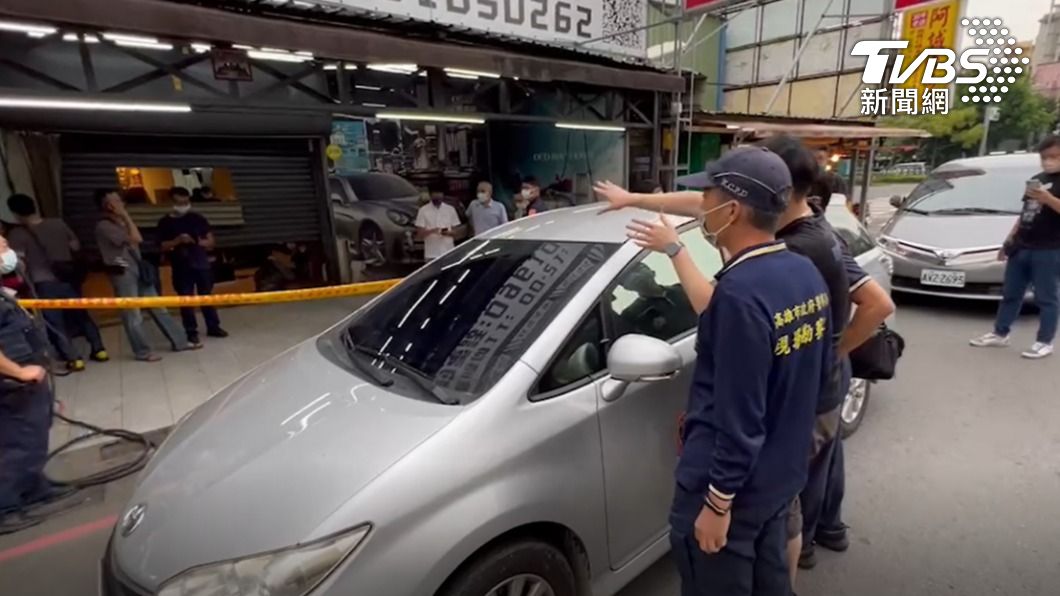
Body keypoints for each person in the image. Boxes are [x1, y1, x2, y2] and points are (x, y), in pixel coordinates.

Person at [610, 146, 833, 596]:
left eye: (707, 198)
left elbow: (740, 416)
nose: (702, 209)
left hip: (735, 492)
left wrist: (716, 503)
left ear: (732, 210)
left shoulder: (738, 295)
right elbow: (809, 378)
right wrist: (674, 246)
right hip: (779, 478)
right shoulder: (802, 270)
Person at [0, 234, 76, 534]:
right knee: (18, 442)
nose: (10, 253)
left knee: (32, 434)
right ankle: (5, 505)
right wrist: (19, 373)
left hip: (27, 375)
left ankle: (34, 487)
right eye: (3, 248)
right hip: (13, 380)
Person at [970, 135, 1060, 359]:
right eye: (1044, 157)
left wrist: (1048, 199)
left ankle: (1044, 341)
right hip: (1022, 245)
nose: (1048, 162)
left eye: (1054, 157)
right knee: (1011, 293)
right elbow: (1024, 214)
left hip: (1049, 248)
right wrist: (1008, 241)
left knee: (1046, 297)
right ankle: (1000, 333)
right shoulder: (1037, 179)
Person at [95, 189, 200, 362]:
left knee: (158, 306)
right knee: (132, 314)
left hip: (138, 268)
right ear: (105, 205)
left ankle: (180, 342)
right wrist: (126, 216)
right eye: (114, 200)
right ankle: (142, 351)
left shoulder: (121, 222)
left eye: (119, 199)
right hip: (122, 271)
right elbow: (136, 238)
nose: (120, 203)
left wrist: (124, 218)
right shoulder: (104, 226)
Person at [6, 194, 108, 368]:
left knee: (55, 322)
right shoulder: (57, 223)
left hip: (42, 282)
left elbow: (18, 263)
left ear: (15, 213)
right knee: (82, 315)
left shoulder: (17, 234)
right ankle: (99, 349)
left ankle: (74, 359)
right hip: (68, 278)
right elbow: (75, 245)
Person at [157, 187, 227, 344]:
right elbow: (161, 246)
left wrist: (196, 241)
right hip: (181, 265)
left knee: (206, 296)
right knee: (186, 300)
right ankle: (191, 331)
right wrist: (177, 241)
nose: (182, 205)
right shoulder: (165, 222)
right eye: (178, 202)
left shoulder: (197, 219)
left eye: (185, 202)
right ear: (170, 202)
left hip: (200, 263)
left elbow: (210, 242)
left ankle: (213, 326)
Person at [415, 192, 462, 261]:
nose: (438, 200)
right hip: (431, 254)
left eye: (439, 198)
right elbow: (420, 234)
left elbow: (456, 232)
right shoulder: (423, 210)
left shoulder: (450, 209)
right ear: (431, 196)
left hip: (448, 251)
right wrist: (433, 231)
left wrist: (448, 233)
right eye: (436, 198)